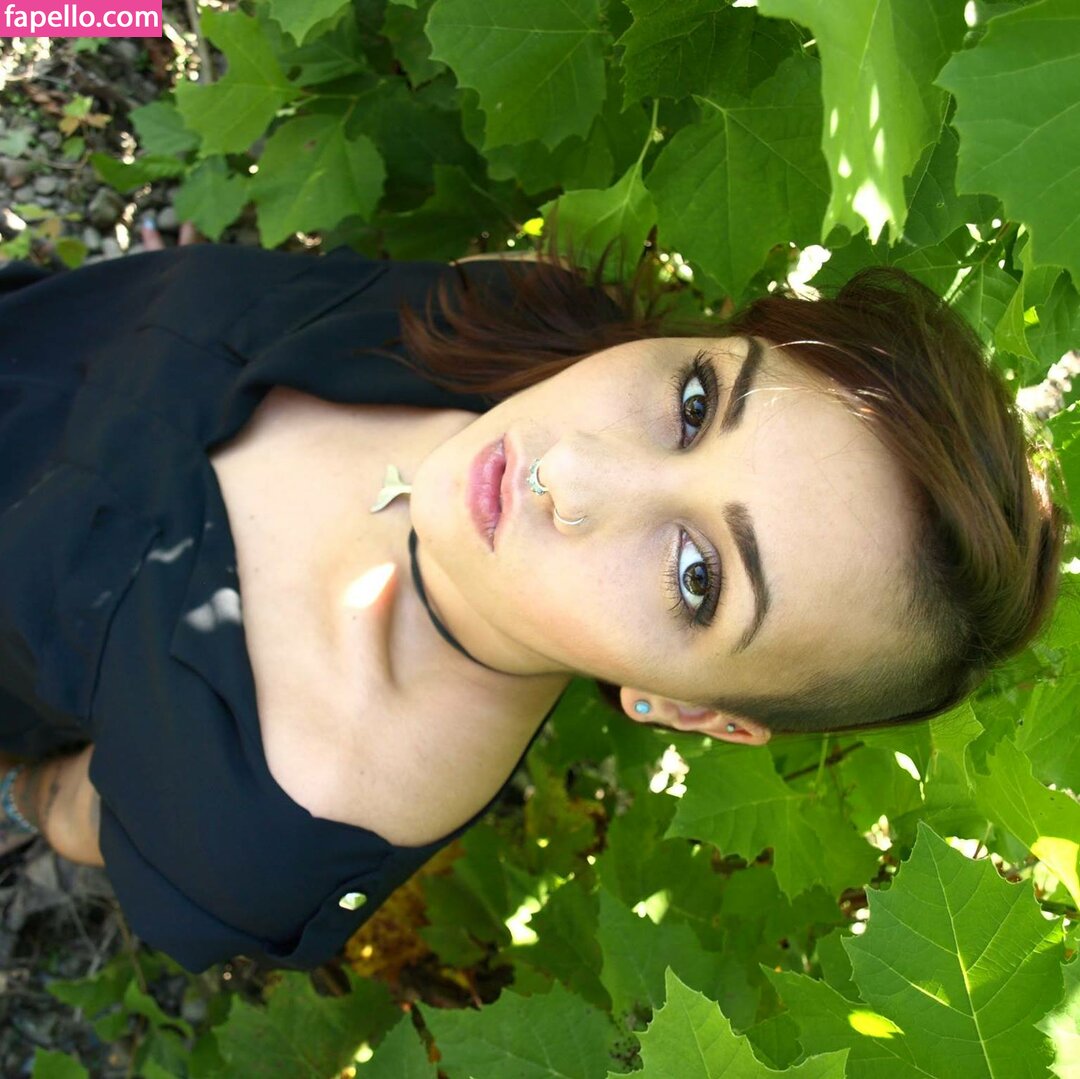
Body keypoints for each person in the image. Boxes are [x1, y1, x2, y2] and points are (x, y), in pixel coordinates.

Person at [0, 226, 1063, 972]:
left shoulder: (264, 836)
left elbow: (64, 802)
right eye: (698, 402)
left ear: (688, 710)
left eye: (697, 577)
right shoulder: (529, 312)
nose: (572, 470)